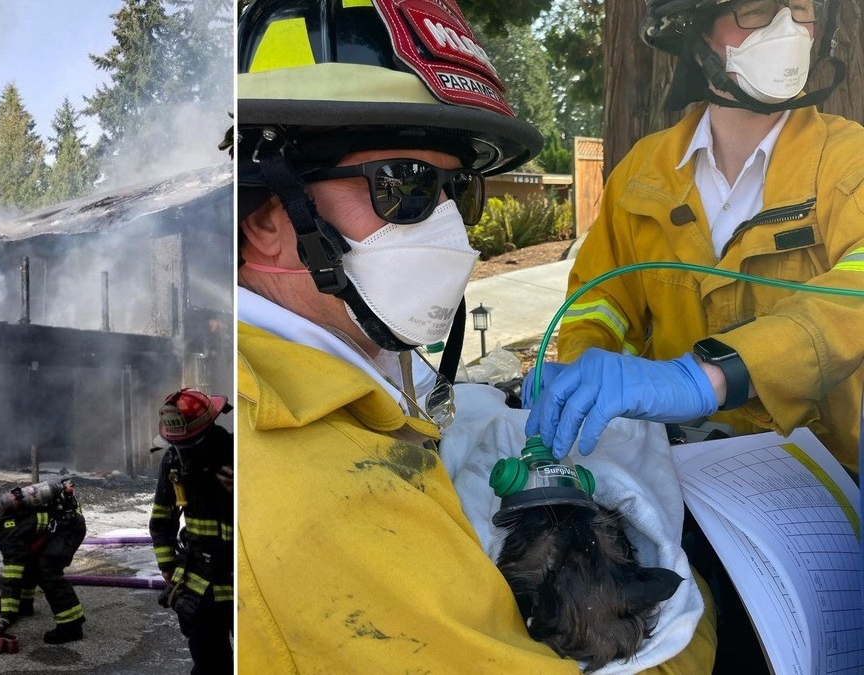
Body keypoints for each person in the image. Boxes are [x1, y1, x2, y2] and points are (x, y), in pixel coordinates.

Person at [235, 0, 717, 673]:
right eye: (404, 185)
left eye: (457, 190)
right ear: (267, 215)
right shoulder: (313, 496)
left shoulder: (349, 374)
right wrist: (691, 605)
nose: (450, 232)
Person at [525, 0, 864, 476]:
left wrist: (713, 375)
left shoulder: (850, 161)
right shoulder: (644, 173)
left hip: (826, 475)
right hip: (673, 471)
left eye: (802, 10)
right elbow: (599, 303)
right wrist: (587, 375)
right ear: (698, 30)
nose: (790, 31)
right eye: (760, 11)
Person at [149, 388, 234, 675]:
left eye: (191, 443)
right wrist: (167, 566)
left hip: (244, 579)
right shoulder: (173, 463)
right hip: (200, 582)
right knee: (210, 663)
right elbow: (161, 519)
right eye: (179, 445)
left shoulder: (238, 455)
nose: (185, 453)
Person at [0, 477, 87, 644]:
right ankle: (25, 605)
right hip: (61, 524)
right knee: (29, 563)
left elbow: (12, 578)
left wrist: (7, 615)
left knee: (47, 571)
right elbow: (24, 564)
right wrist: (18, 606)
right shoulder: (1, 521)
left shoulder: (7, 533)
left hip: (68, 527)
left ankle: (71, 626)